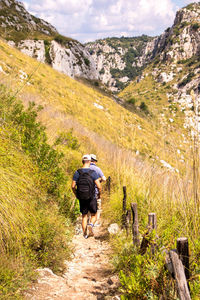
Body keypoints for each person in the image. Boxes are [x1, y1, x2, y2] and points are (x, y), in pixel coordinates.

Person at [72, 154, 101, 238]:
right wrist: (99, 194)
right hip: (91, 196)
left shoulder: (77, 172)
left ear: (82, 161)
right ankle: (91, 225)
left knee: (84, 216)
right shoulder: (93, 172)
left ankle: (84, 234)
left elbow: (73, 186)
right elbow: (99, 186)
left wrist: (77, 194)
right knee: (93, 214)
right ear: (89, 161)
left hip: (82, 196)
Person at [90, 154, 106, 222]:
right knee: (95, 210)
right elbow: (104, 179)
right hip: (94, 191)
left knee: (85, 213)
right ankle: (92, 223)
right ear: (95, 161)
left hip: (84, 192)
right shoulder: (97, 169)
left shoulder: (84, 168)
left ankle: (86, 226)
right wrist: (99, 181)